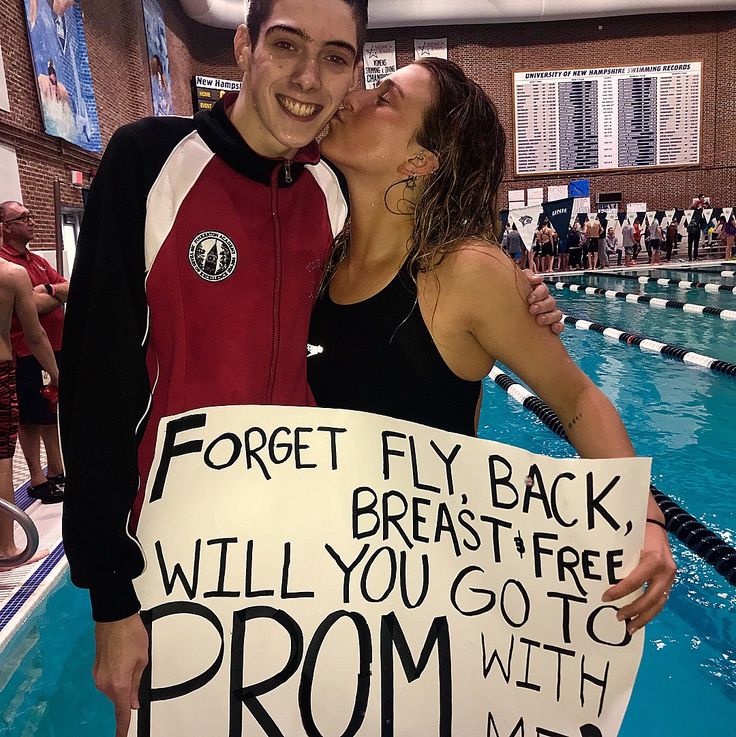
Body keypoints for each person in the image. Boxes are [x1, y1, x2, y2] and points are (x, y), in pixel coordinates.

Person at [59, 3, 562, 734]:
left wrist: (525, 296)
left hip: (317, 575)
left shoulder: (334, 187)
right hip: (175, 570)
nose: (308, 77)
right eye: (286, 45)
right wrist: (109, 591)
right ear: (243, 45)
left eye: (335, 57)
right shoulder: (148, 161)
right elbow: (95, 384)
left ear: (354, 70)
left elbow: (431, 250)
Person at [308, 57, 674, 640]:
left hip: (421, 603)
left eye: (383, 98)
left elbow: (575, 398)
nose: (350, 98)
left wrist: (647, 520)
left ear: (419, 161)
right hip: (319, 583)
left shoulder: (464, 272)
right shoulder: (316, 254)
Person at [0, 221, 60, 570]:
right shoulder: (11, 275)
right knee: (2, 458)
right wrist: (56, 373)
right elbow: (35, 335)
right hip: (2, 368)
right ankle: (6, 548)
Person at [0, 201, 67, 502]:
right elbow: (32, 317)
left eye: (30, 215)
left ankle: (56, 471)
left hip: (54, 347)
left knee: (50, 414)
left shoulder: (37, 261)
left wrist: (49, 291)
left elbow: (68, 287)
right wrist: (44, 296)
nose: (30, 220)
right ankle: (38, 479)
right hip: (24, 353)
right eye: (22, 217)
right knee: (29, 418)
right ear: (5, 227)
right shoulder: (8, 268)